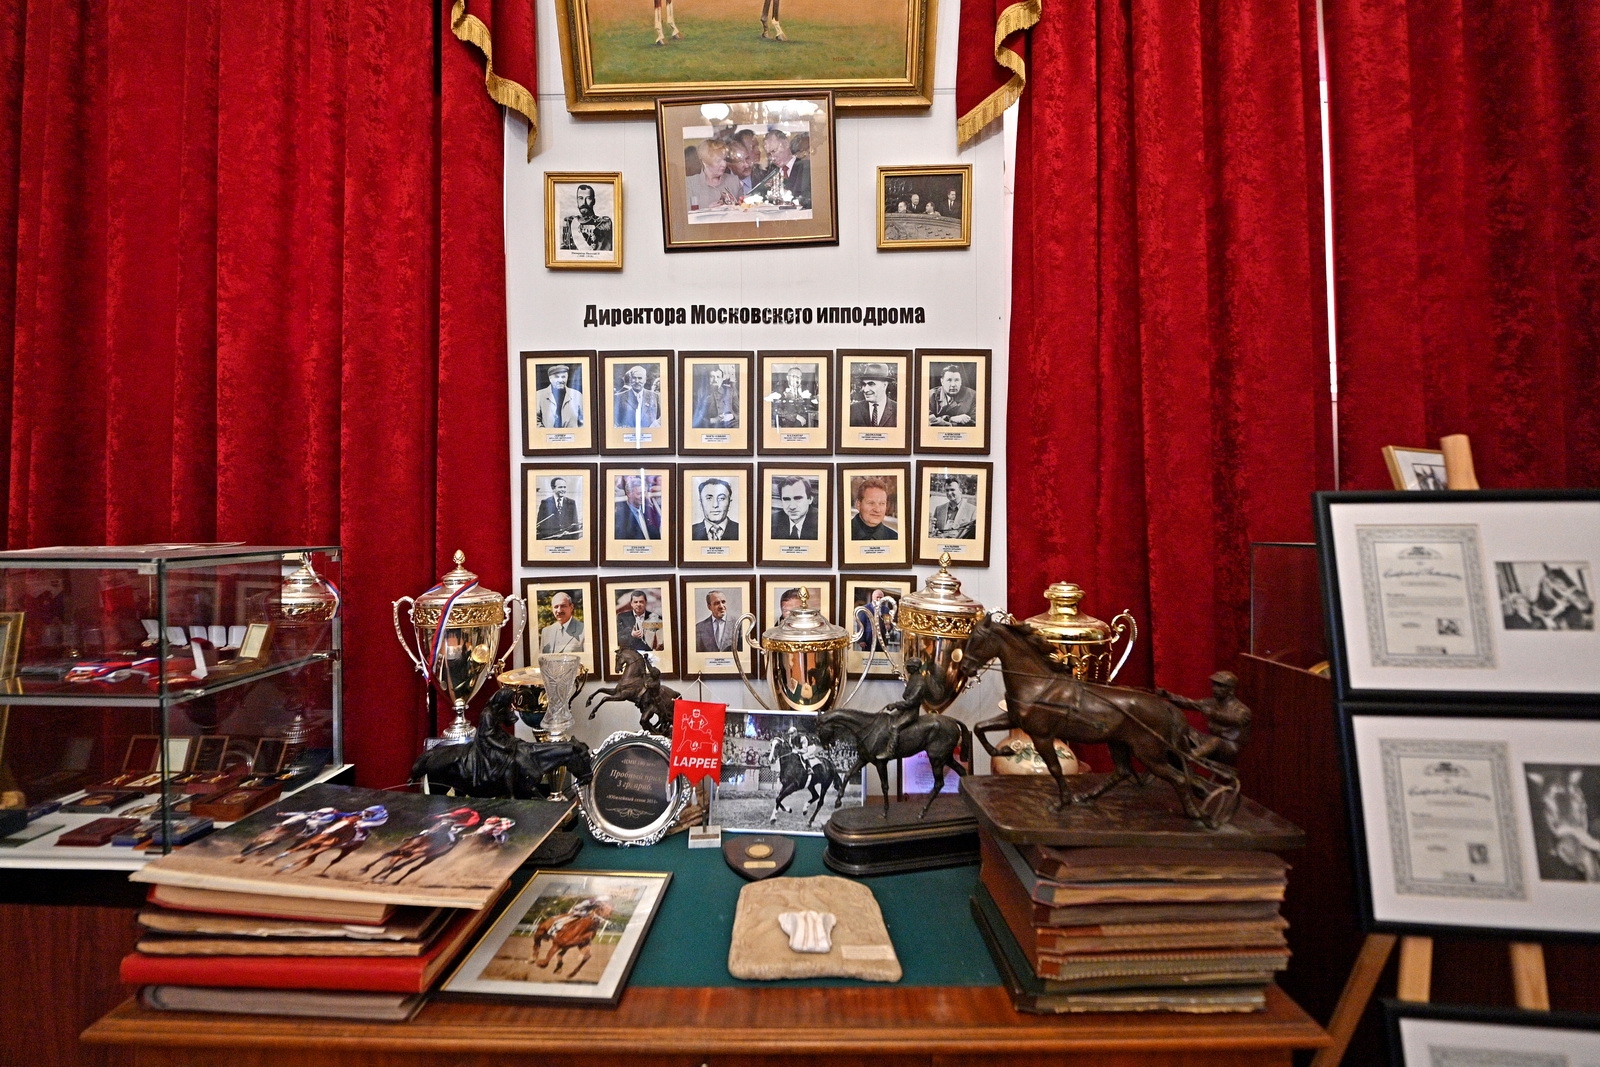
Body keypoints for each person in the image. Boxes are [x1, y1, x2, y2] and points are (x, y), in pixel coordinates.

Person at [1156, 671, 1252, 765]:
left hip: (1230, 747)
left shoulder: (1242, 710)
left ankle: (1190, 756)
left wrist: (1214, 714)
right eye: (1214, 685)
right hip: (1209, 741)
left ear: (1231, 690)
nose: (1215, 689)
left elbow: (1237, 720)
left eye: (1220, 686)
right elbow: (1188, 703)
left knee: (1216, 740)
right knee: (1186, 729)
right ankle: (1175, 754)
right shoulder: (1211, 702)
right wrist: (1168, 695)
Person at [756, 129, 810, 208]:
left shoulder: (806, 168)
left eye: (774, 151)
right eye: (769, 154)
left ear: (786, 143)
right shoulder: (769, 174)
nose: (772, 158)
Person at [685, 139, 739, 210]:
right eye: (718, 161)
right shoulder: (690, 183)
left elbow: (743, 209)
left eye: (724, 159)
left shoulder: (734, 181)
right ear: (705, 162)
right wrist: (707, 210)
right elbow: (685, 212)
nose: (724, 164)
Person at [559, 183, 613, 252]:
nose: (584, 203)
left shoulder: (604, 223)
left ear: (594, 201)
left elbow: (607, 253)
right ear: (577, 201)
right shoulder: (569, 222)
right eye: (580, 198)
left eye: (588, 198)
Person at [534, 363, 584, 429]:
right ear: (550, 379)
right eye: (557, 377)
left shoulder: (577, 395)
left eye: (563, 377)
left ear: (567, 377)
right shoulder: (539, 395)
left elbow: (584, 420)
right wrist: (546, 432)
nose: (560, 380)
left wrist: (576, 433)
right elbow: (535, 421)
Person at [613, 475, 661, 540]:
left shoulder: (649, 510)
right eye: (639, 493)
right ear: (629, 493)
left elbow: (656, 534)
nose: (643, 496)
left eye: (644, 493)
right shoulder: (620, 516)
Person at [613, 365, 661, 429]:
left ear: (645, 380)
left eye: (640, 378)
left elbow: (659, 419)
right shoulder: (619, 397)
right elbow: (615, 422)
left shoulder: (654, 397)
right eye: (634, 378)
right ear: (630, 379)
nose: (637, 381)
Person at [771, 475, 818, 541]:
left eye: (798, 498)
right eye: (786, 499)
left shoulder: (821, 522)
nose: (792, 507)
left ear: (810, 499)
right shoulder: (772, 521)